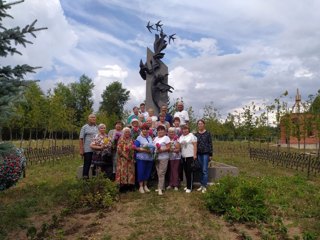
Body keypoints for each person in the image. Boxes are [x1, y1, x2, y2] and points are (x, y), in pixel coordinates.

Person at [134, 123, 154, 194]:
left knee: (147, 172)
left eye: (146, 129)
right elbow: (135, 148)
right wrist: (144, 150)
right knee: (141, 171)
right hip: (141, 158)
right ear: (141, 130)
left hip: (149, 158)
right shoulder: (139, 138)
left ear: (148, 130)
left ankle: (145, 185)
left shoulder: (150, 137)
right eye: (143, 129)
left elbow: (153, 146)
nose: (145, 130)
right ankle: (141, 187)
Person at [195, 119, 213, 193]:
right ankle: (201, 185)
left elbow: (210, 144)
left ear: (204, 124)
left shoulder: (208, 133)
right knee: (200, 169)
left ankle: (204, 186)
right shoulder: (196, 134)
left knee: (204, 170)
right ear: (197, 125)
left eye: (201, 124)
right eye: (199, 124)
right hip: (198, 154)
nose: (200, 125)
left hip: (206, 153)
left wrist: (210, 154)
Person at [178, 125, 197, 193]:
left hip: (190, 156)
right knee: (186, 172)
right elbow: (179, 146)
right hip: (184, 156)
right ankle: (188, 185)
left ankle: (190, 187)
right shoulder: (181, 137)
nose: (185, 130)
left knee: (190, 172)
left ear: (188, 129)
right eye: (183, 129)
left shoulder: (192, 135)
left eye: (186, 129)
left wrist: (194, 155)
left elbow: (195, 145)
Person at [153, 125, 170, 195]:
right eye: (159, 130)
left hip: (164, 158)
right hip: (156, 158)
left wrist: (161, 150)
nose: (160, 131)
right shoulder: (156, 138)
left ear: (165, 131)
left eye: (162, 130)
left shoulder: (166, 138)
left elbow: (168, 148)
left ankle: (160, 189)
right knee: (158, 173)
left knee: (161, 173)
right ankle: (161, 187)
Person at [79, 114, 98, 179]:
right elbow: (81, 139)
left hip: (96, 149)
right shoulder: (84, 127)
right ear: (88, 119)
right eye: (92, 117)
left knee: (96, 164)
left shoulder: (97, 127)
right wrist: (81, 149)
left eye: (94, 117)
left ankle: (94, 178)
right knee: (87, 163)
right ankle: (85, 178)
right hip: (87, 149)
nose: (93, 119)